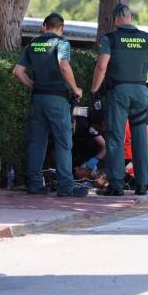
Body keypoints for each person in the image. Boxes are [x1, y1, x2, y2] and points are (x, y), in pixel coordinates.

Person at [12, 13, 88, 197]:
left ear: (44, 27)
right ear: (62, 28)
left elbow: (18, 71)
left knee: (37, 142)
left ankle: (35, 184)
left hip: (38, 99)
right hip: (57, 100)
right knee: (63, 142)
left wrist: (33, 85)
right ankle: (65, 187)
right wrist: (75, 88)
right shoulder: (61, 43)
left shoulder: (33, 44)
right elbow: (64, 66)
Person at [91, 4, 148, 196]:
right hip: (141, 92)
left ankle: (116, 185)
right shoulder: (146, 38)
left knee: (115, 137)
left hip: (119, 92)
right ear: (131, 18)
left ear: (116, 19)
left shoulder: (110, 38)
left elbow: (101, 66)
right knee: (139, 137)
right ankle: (142, 184)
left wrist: (94, 90)